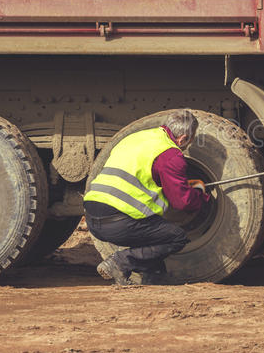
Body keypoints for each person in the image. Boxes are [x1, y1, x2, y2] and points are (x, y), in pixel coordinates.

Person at [83, 110, 210, 285]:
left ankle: (154, 275)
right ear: (183, 139)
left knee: (154, 227)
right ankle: (120, 262)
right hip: (117, 222)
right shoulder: (171, 155)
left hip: (92, 216)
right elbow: (182, 202)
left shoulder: (138, 137)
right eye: (190, 140)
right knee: (176, 237)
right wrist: (201, 197)